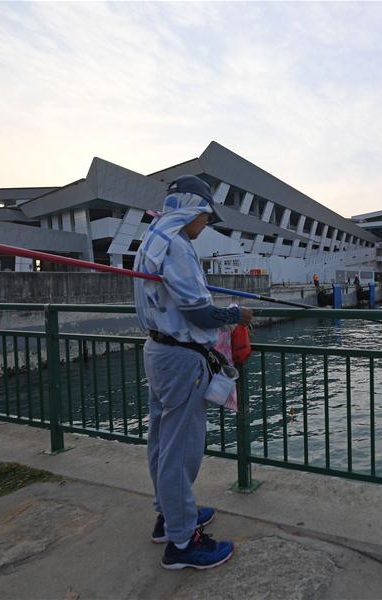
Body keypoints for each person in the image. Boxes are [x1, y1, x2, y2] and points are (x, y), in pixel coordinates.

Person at [134, 174, 253, 570]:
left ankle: (170, 516)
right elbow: (200, 313)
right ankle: (183, 542)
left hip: (157, 351)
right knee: (180, 448)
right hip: (181, 358)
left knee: (160, 440)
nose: (206, 223)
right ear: (191, 211)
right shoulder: (178, 245)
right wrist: (236, 314)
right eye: (205, 215)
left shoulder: (152, 239)